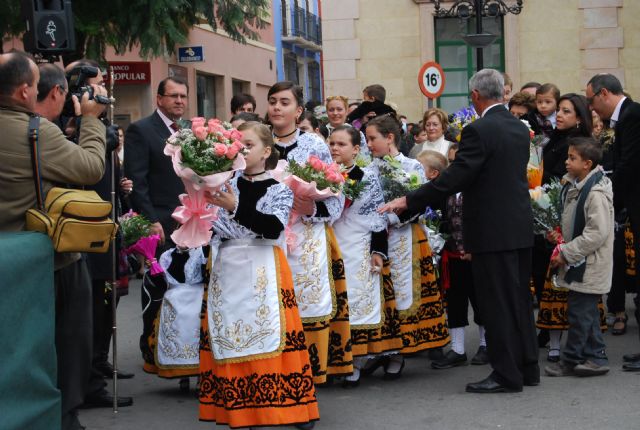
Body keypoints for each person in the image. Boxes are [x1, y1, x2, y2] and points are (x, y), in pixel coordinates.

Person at [379, 69, 539, 393]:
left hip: (492, 232)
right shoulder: (519, 128)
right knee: (519, 301)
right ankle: (527, 368)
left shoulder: (479, 130)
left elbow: (455, 179)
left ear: (476, 97)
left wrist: (408, 200)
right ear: (502, 94)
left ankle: (507, 374)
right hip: (519, 227)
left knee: (496, 304)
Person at [0, 51, 107, 430]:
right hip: (43, 258)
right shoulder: (35, 131)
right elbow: (91, 168)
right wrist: (91, 123)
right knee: (66, 344)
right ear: (25, 90)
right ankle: (63, 416)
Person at [199, 121, 319, 428]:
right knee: (232, 335)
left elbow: (272, 227)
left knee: (270, 334)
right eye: (238, 143)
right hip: (228, 268)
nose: (242, 149)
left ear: (267, 151)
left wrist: (234, 206)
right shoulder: (223, 183)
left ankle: (291, 408)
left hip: (265, 266)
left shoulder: (278, 188)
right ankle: (241, 410)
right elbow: (211, 226)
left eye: (249, 144)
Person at [268, 81, 353, 384]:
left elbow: (336, 194)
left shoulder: (314, 144)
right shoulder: (256, 142)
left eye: (284, 102)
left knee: (306, 304)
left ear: (298, 110)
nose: (277, 107)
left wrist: (310, 209)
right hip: (266, 236)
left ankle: (306, 372)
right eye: (273, 101)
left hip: (305, 236)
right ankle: (272, 369)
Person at [366, 115, 450, 378]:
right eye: (366, 139)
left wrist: (390, 217)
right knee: (378, 295)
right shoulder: (367, 168)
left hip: (404, 238)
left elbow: (420, 203)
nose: (368, 144)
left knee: (402, 293)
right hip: (371, 239)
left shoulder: (412, 166)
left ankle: (398, 353)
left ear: (389, 138)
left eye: (372, 139)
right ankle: (380, 350)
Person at [329, 125, 402, 387]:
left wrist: (377, 251)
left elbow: (377, 217)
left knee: (359, 305)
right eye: (332, 144)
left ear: (356, 149)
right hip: (332, 245)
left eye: (341, 144)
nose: (335, 149)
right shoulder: (322, 175)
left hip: (358, 247)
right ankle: (339, 361)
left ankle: (357, 363)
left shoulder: (364, 176)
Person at [125, 76, 187, 374]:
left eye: (183, 96)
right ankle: (150, 347)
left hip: (190, 220)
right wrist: (149, 221)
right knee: (157, 284)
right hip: (160, 222)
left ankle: (181, 348)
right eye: (173, 96)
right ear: (159, 99)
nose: (179, 101)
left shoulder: (188, 131)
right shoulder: (141, 130)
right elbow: (137, 180)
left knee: (186, 285)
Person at [534, 93, 602, 362]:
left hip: (571, 225)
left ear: (579, 117)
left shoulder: (579, 145)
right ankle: (551, 332)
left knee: (573, 292)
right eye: (558, 110)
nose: (558, 115)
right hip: (550, 216)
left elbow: (563, 178)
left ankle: (581, 350)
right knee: (545, 277)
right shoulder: (553, 138)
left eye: (566, 111)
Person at [544, 137, 614, 377]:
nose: (566, 161)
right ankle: (596, 357)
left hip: (590, 265)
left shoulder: (595, 193)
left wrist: (566, 252)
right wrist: (559, 236)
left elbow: (597, 233)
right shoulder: (577, 186)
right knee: (587, 313)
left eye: (572, 158)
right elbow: (574, 223)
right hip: (582, 263)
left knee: (578, 314)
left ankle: (570, 360)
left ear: (587, 164)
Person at [586, 74, 640, 371]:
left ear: (604, 93)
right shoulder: (626, 117)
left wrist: (604, 197)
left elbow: (628, 166)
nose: (593, 109)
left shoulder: (633, 116)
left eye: (592, 101)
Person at [431, 145, 488, 370]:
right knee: (455, 301)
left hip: (475, 255)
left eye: (460, 161)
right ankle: (457, 349)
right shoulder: (446, 189)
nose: (456, 166)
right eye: (452, 162)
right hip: (452, 253)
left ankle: (486, 344)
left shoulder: (480, 188)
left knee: (480, 300)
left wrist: (475, 246)